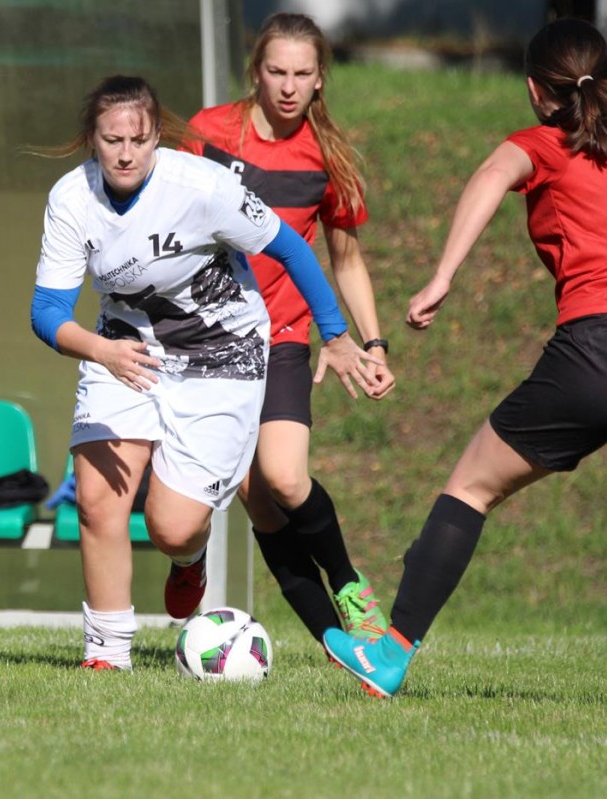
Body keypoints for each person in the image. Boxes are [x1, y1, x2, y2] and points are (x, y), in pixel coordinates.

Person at [324, 17, 607, 698]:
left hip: (603, 348)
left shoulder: (545, 142)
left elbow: (491, 174)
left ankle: (389, 654)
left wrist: (442, 276)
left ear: (534, 91)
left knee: (472, 486)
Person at [29, 74, 382, 670]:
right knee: (96, 499)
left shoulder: (202, 186)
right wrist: (100, 351)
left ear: (156, 137)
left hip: (222, 356)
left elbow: (291, 249)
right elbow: (47, 312)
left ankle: (188, 559)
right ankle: (107, 654)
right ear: (92, 139)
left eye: (138, 140)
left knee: (171, 528)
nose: (125, 153)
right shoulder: (72, 198)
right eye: (112, 140)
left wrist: (339, 335)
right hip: (124, 349)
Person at [180, 12, 395, 648]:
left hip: (281, 339)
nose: (289, 87)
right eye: (277, 71)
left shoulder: (327, 156)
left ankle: (350, 586)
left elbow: (346, 259)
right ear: (256, 71)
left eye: (303, 73)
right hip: (206, 343)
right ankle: (340, 645)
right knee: (261, 504)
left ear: (321, 77)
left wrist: (373, 343)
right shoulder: (208, 133)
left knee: (284, 477)